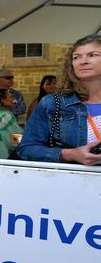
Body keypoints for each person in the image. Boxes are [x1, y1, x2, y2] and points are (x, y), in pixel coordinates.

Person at [17, 34, 101, 165]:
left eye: (92, 55)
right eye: (77, 57)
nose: (83, 61)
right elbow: (26, 148)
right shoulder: (52, 103)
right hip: (72, 180)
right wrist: (70, 154)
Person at [0, 89, 23, 159]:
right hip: (7, 153)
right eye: (11, 97)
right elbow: (15, 136)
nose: (14, 100)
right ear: (2, 100)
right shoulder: (6, 116)